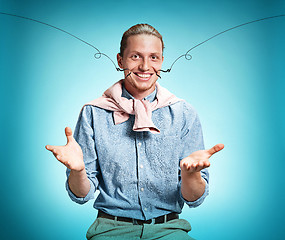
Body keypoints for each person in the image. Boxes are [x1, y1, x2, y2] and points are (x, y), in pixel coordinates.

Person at [46, 23, 224, 240]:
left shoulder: (184, 113)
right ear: (120, 60)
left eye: (154, 57)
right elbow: (82, 195)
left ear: (162, 62)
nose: (145, 66)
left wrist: (190, 175)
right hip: (110, 230)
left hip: (169, 230)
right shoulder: (93, 113)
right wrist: (78, 170)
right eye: (136, 56)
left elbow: (194, 198)